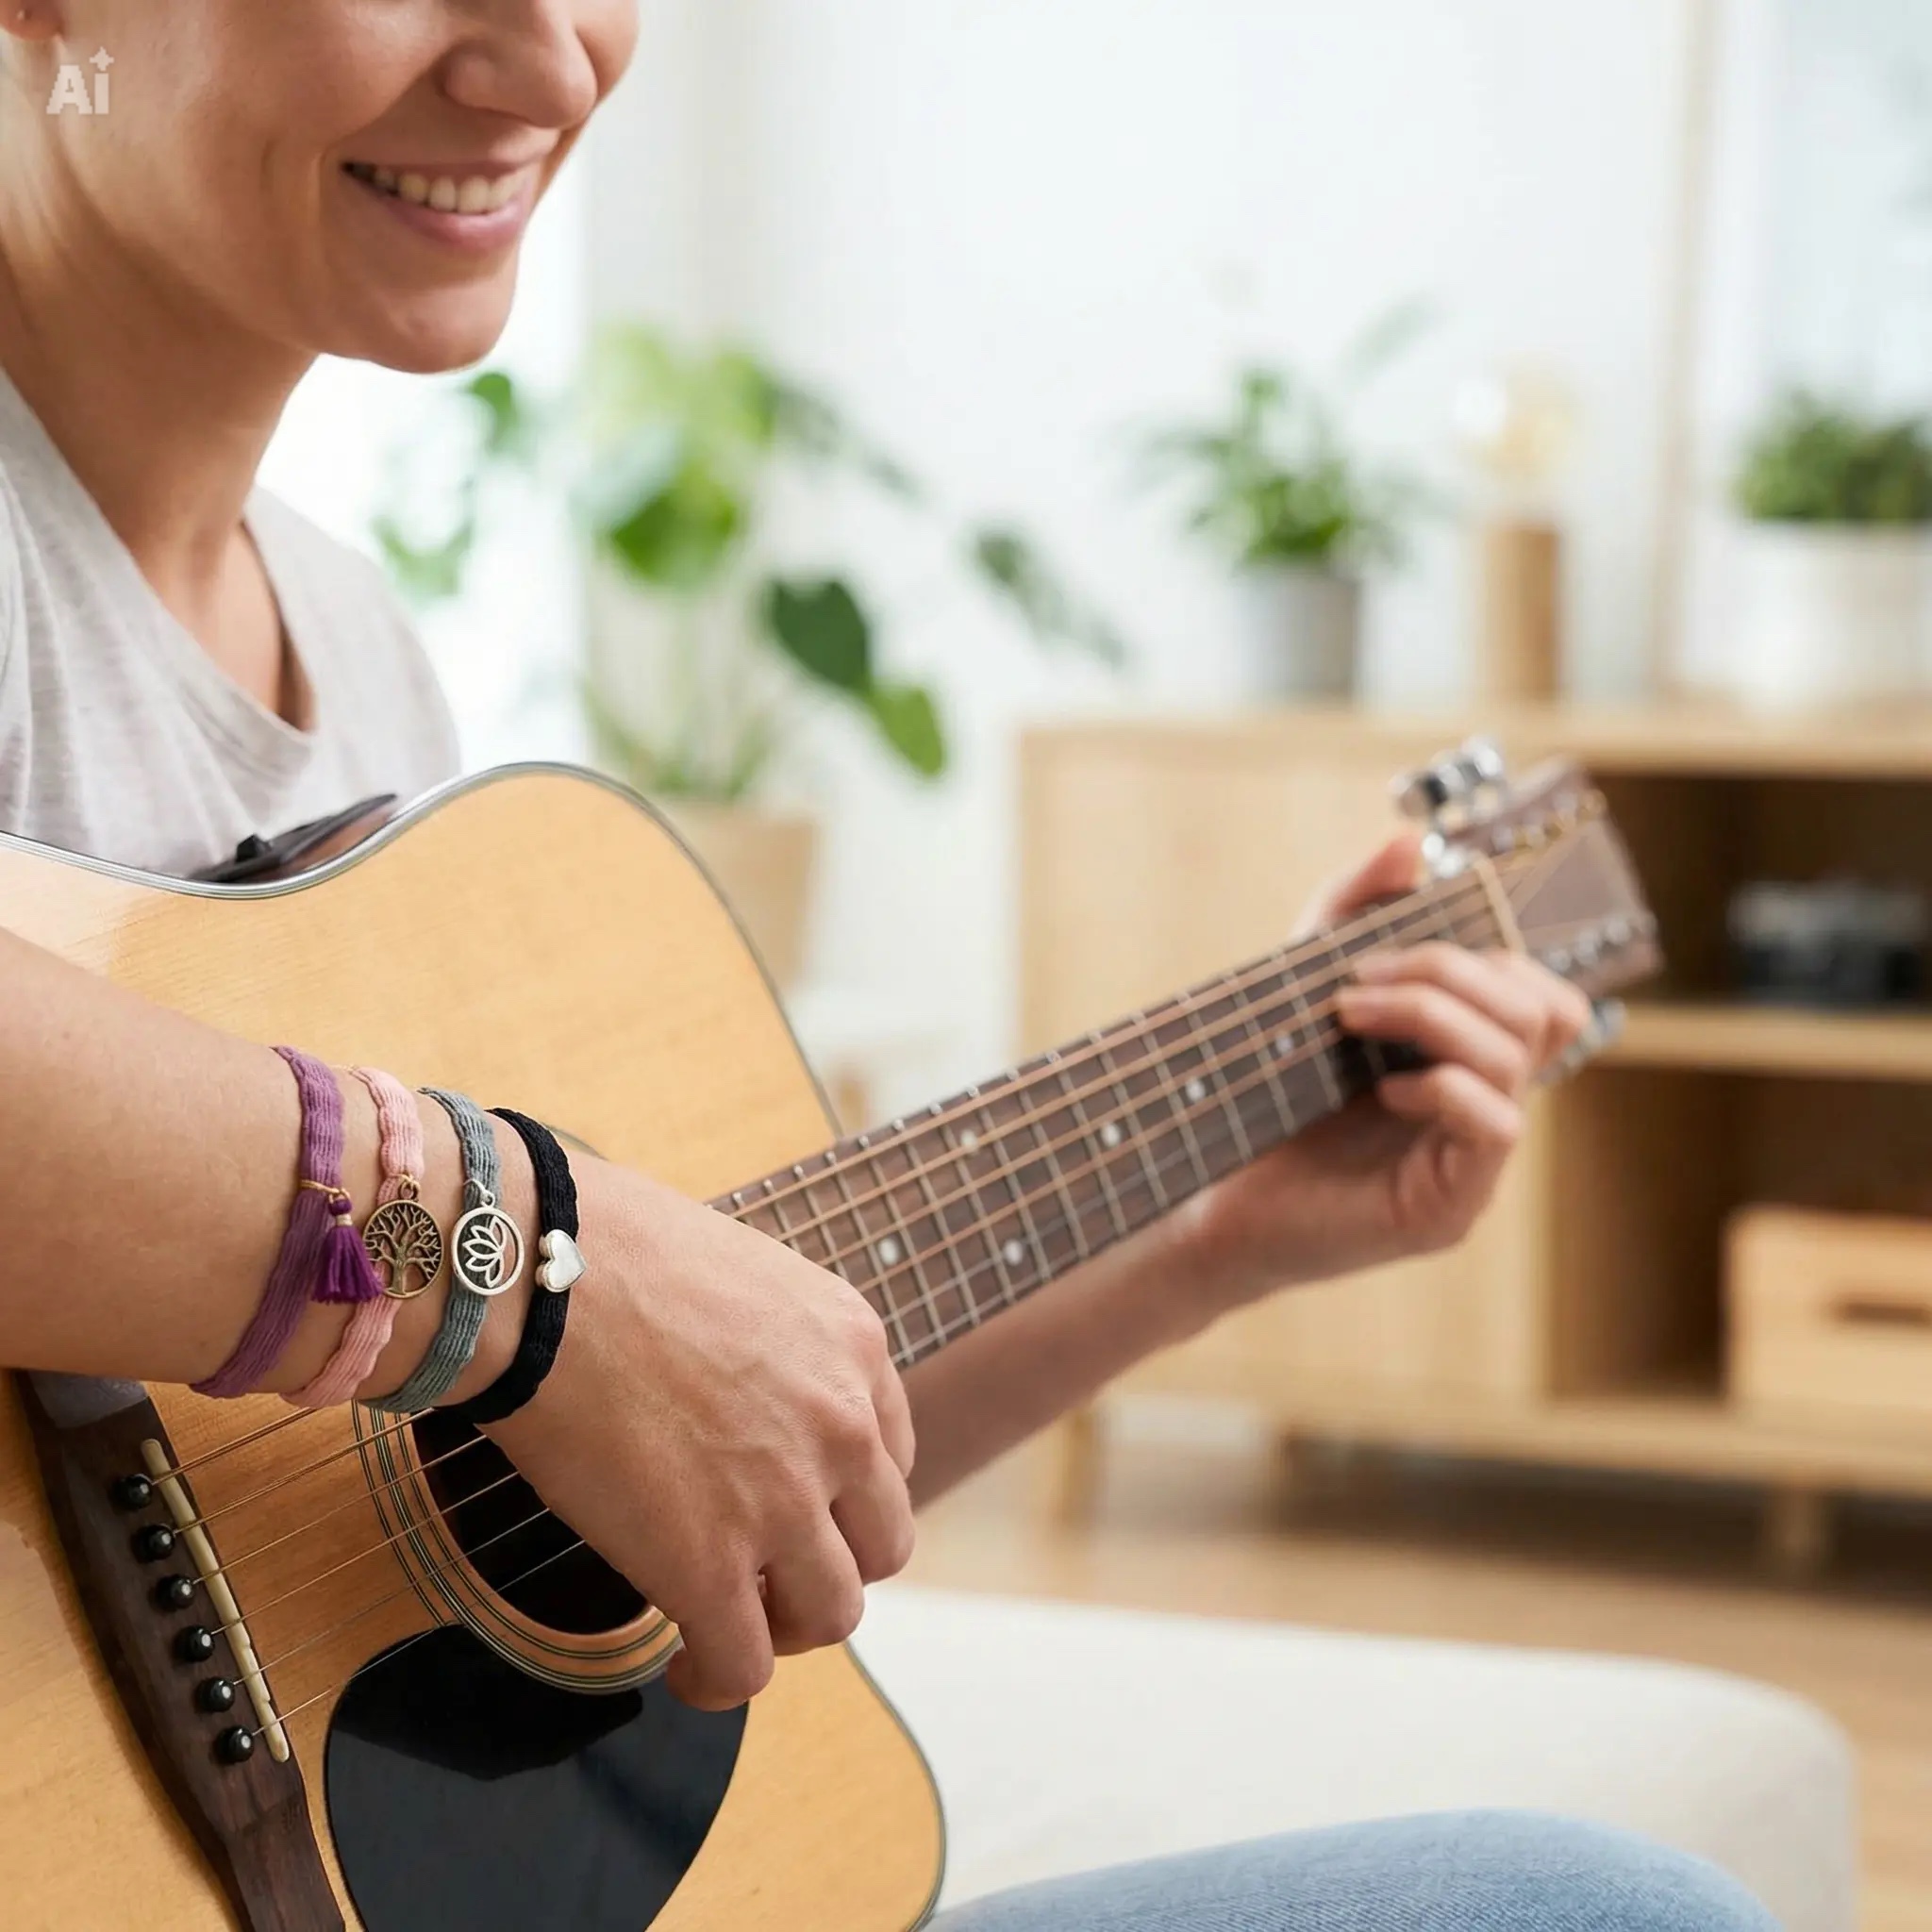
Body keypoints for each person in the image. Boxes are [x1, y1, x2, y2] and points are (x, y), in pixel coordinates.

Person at [0, 7, 1779, 1930]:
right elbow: (506, 1287)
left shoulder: (350, 643)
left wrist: (1218, 1233)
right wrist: (521, 1267)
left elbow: (622, 1445)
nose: (546, 61)